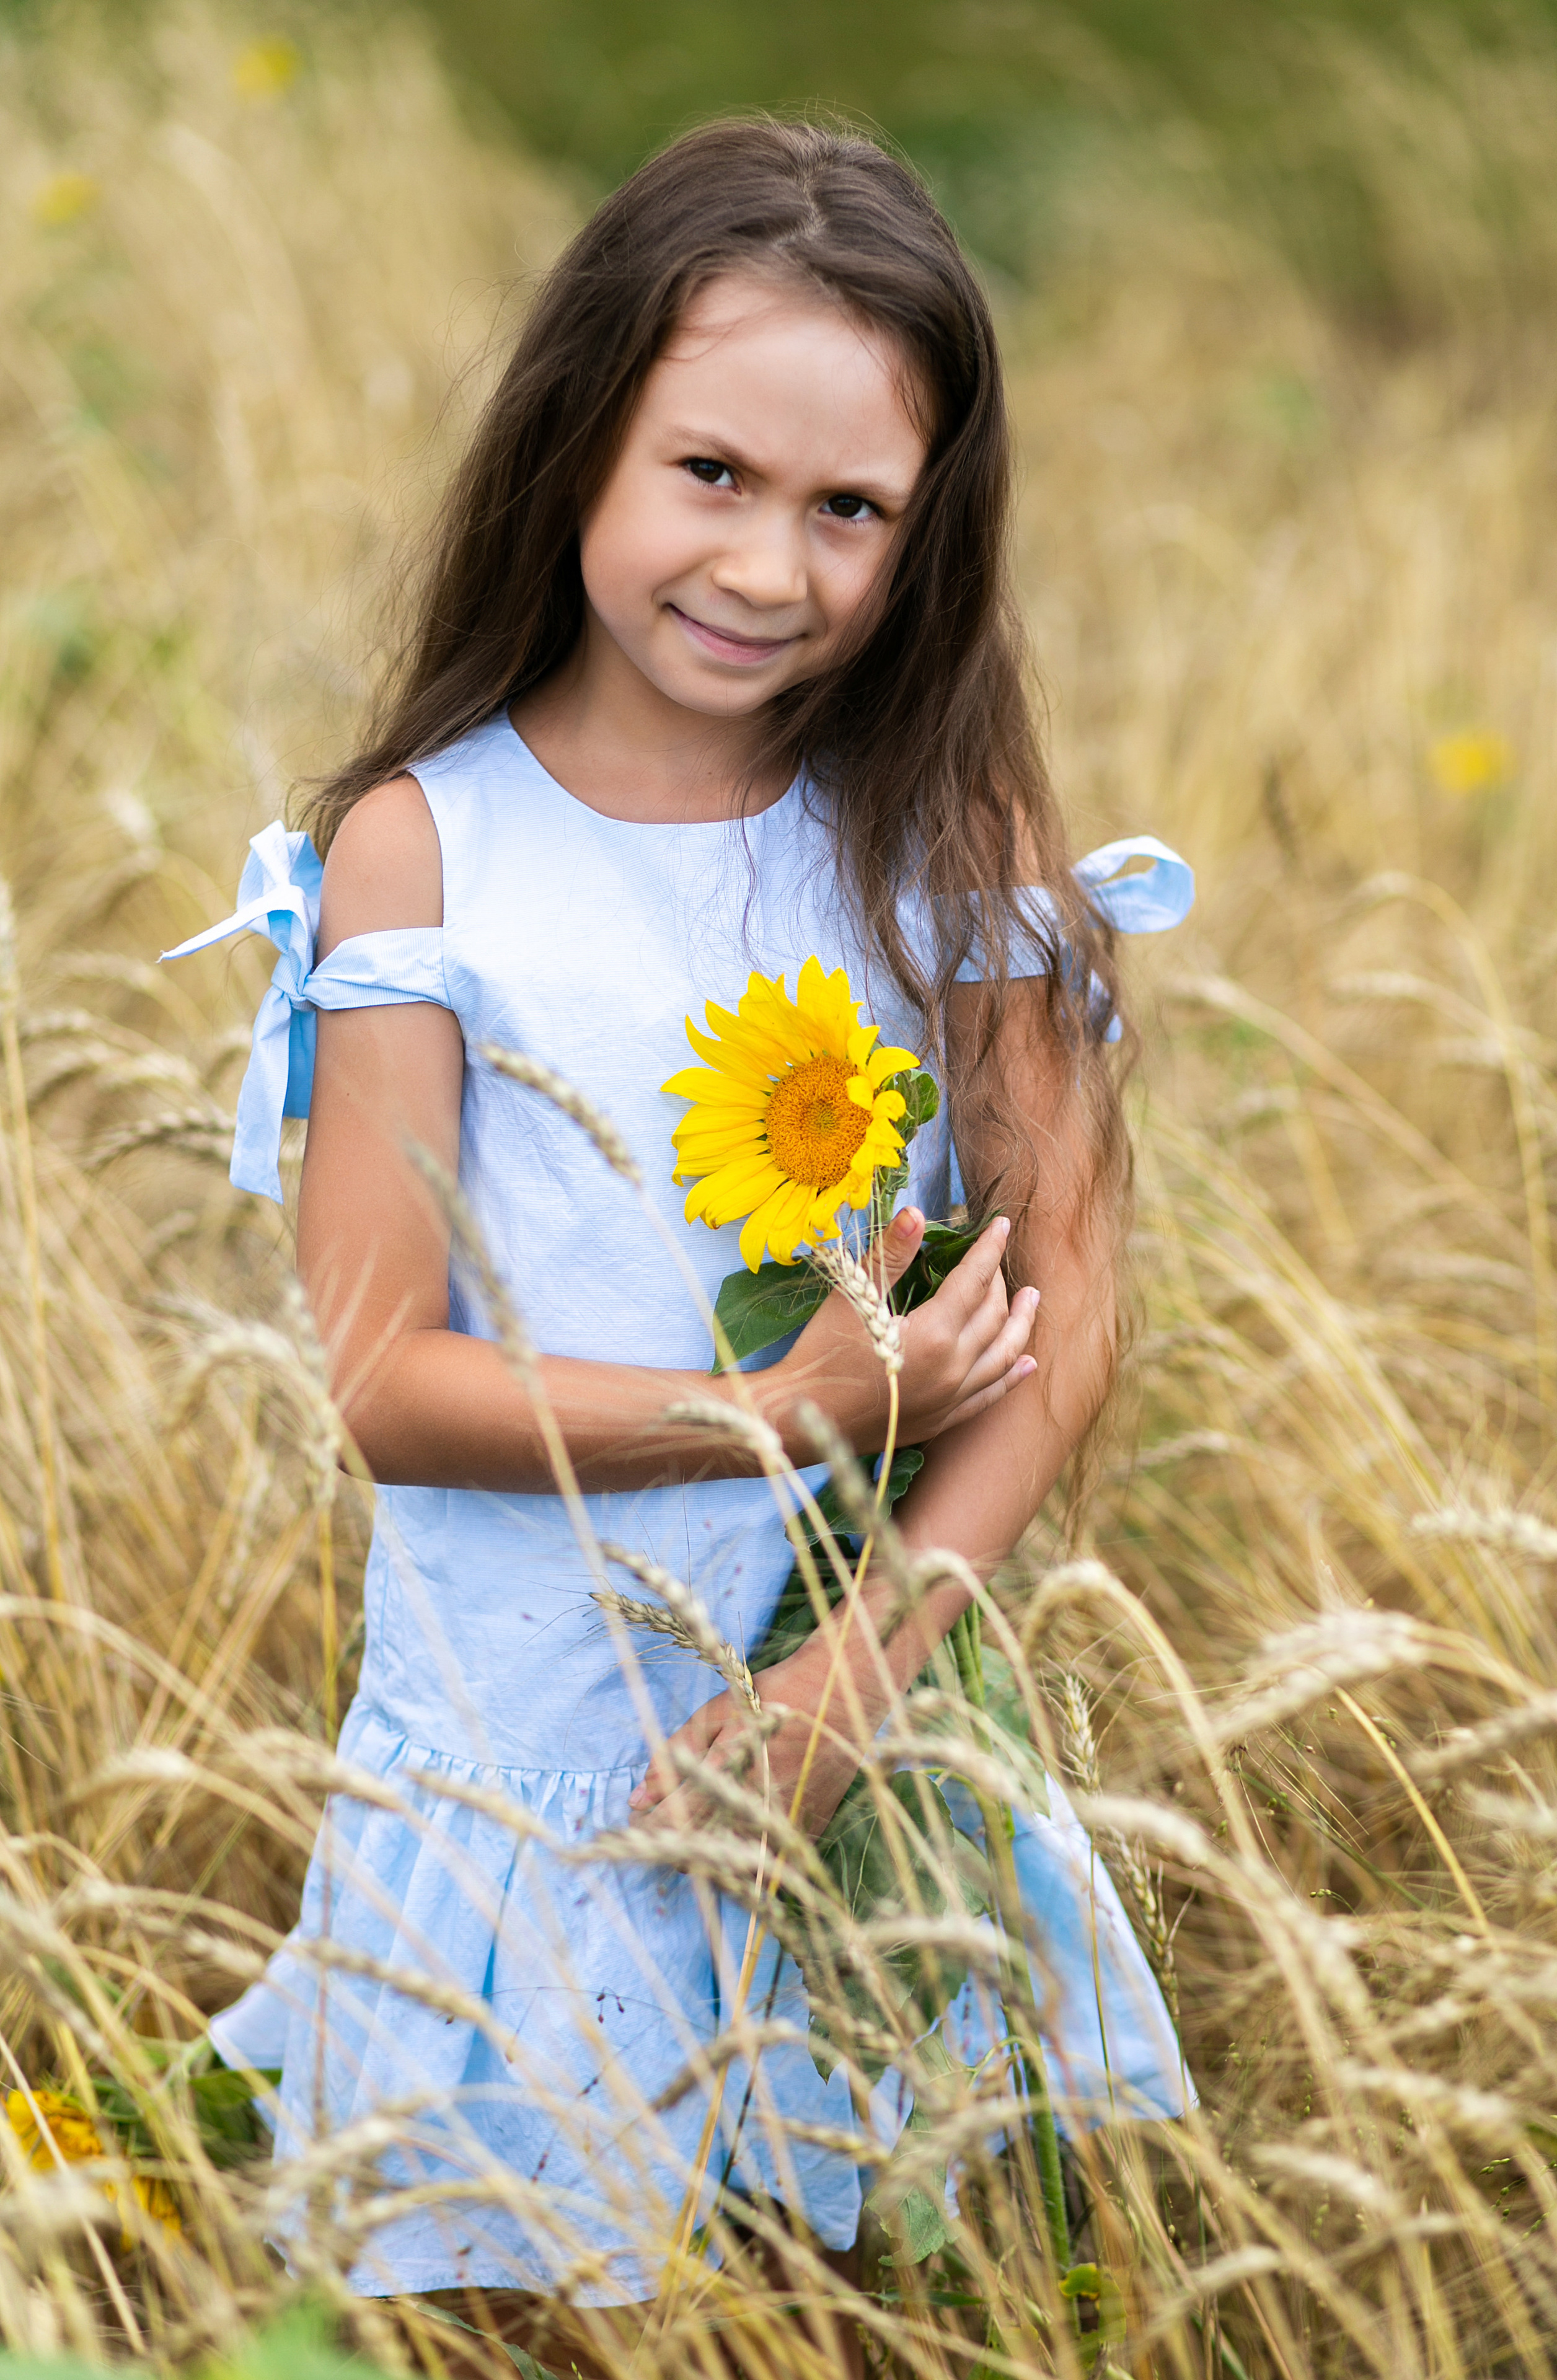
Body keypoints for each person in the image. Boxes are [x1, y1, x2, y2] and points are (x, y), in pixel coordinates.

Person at [166, 118, 1194, 2374]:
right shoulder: (428, 856)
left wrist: (861, 1669)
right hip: (528, 1780)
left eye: (852, 510)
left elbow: (1068, 1303)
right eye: (710, 471)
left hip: (857, 1742)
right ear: (579, 445)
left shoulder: (943, 834)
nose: (771, 563)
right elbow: (387, 1390)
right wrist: (793, 1407)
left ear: (928, 538)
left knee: (854, 2306)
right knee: (520, 2314)